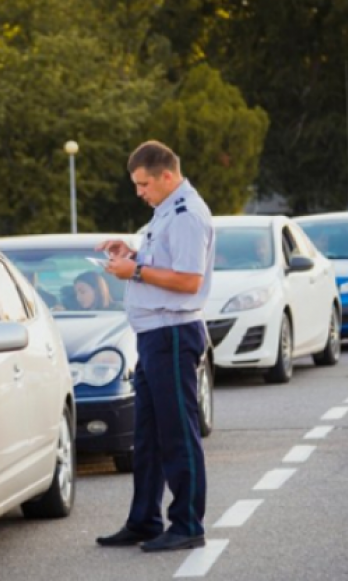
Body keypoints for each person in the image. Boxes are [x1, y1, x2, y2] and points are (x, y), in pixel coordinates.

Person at [96, 140, 215, 553]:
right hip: (153, 335)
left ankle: (187, 524)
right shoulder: (165, 211)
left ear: (167, 175)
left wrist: (136, 270)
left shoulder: (186, 215)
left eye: (143, 184)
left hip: (173, 333)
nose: (139, 192)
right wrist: (131, 253)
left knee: (178, 434)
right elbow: (161, 264)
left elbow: (188, 280)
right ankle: (145, 519)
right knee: (146, 436)